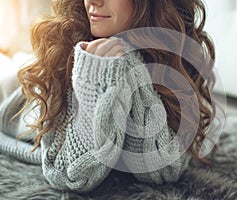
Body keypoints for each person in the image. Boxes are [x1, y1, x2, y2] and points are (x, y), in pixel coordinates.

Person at [0, 0, 216, 193]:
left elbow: (163, 170)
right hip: (15, 97)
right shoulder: (71, 52)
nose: (92, 1)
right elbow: (71, 175)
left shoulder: (172, 60)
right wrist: (95, 73)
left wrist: (130, 63)